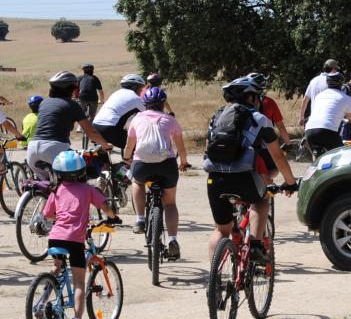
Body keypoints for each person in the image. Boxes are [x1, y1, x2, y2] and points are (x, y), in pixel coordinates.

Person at [203, 76, 299, 261]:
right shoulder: (260, 119)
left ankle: (215, 281)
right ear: (251, 98)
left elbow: (209, 148)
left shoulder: (216, 117)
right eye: (257, 96)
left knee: (221, 229)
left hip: (215, 179)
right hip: (244, 177)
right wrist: (290, 183)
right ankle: (255, 246)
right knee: (261, 200)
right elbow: (277, 155)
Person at [43, 150, 118, 319]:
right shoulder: (88, 189)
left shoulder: (56, 190)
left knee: (57, 268)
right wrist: (113, 217)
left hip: (55, 238)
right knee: (78, 283)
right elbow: (105, 207)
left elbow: (48, 213)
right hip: (75, 240)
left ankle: (42, 300)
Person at [123, 87, 189, 257]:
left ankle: (139, 219)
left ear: (145, 104)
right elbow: (180, 147)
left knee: (137, 182)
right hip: (166, 165)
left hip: (142, 165)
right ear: (162, 104)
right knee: (170, 204)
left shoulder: (136, 119)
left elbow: (129, 146)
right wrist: (183, 162)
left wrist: (126, 159)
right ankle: (173, 239)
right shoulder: (170, 120)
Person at [28, 71, 111, 179]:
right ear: (70, 89)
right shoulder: (72, 105)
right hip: (55, 149)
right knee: (77, 178)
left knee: (48, 187)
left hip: (32, 149)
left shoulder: (44, 103)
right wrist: (105, 145)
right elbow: (91, 132)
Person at [304, 71, 351, 151]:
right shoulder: (345, 98)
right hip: (327, 130)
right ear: (341, 84)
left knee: (321, 159)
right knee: (340, 156)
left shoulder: (319, 96)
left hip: (309, 131)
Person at [246, 73, 289, 184]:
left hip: (245, 146)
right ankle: (265, 185)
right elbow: (280, 126)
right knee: (274, 169)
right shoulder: (269, 102)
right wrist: (288, 143)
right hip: (265, 147)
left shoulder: (239, 105)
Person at [91, 74, 146, 149]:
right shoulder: (135, 98)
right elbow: (149, 114)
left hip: (95, 127)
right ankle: (129, 160)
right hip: (110, 129)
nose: (141, 90)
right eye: (141, 88)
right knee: (138, 147)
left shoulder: (116, 93)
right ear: (134, 87)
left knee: (103, 156)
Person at [298, 58, 339, 126]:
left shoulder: (314, 80)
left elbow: (305, 100)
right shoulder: (332, 82)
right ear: (333, 69)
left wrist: (301, 117)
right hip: (327, 121)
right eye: (336, 69)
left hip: (313, 120)